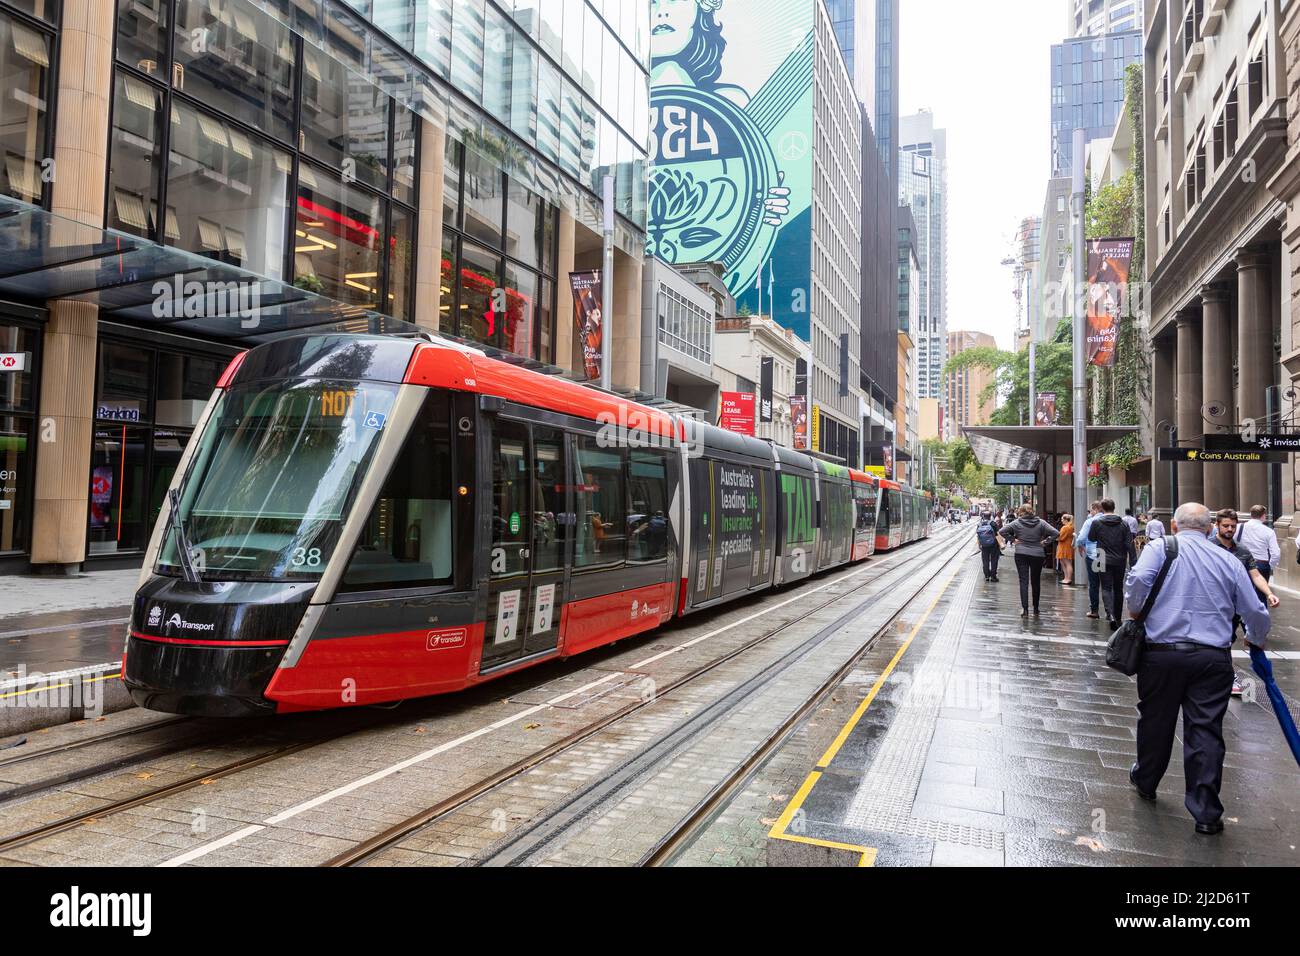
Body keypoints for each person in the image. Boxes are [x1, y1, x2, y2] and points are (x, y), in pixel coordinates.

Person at [1125, 503, 1271, 835]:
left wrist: (1135, 611)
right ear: (1209, 529)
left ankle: (1146, 780)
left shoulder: (1158, 548)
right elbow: (1254, 609)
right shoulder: (1229, 560)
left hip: (1161, 654)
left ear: (1174, 527)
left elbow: (1138, 584)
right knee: (1205, 730)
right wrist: (1256, 638)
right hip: (1212, 658)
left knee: (1155, 720)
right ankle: (1206, 812)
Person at [1211, 508, 1280, 696]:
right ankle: (1226, 676)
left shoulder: (1242, 550)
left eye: (1233, 526)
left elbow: (1256, 575)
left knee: (1243, 634)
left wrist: (1268, 593)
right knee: (1222, 641)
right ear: (1217, 525)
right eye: (1226, 526)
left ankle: (1231, 674)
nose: (1230, 529)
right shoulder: (1207, 547)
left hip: (1236, 604)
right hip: (1212, 605)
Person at [1080, 498, 1137, 630]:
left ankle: (1110, 614)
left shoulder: (1096, 522)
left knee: (1105, 587)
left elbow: (1091, 538)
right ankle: (1117, 617)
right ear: (1114, 507)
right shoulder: (1123, 523)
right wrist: (1133, 562)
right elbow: (1129, 543)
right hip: (1119, 558)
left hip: (1100, 555)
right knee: (1118, 588)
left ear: (1102, 508)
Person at [1000, 505, 1059, 617]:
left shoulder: (1017, 523)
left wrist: (1013, 540)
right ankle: (1036, 609)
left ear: (1021, 512)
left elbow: (1002, 531)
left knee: (1024, 581)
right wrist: (1045, 542)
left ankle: (1025, 609)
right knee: (1035, 581)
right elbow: (1056, 533)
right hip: (1037, 553)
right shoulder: (1041, 522)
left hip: (1021, 553)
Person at [1235, 505, 1281, 582]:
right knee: (1261, 592)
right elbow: (1276, 553)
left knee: (1243, 591)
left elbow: (1231, 543)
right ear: (1263, 516)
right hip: (1261, 564)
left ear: (1251, 515)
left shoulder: (1238, 527)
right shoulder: (1268, 531)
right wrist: (1270, 566)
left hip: (1242, 562)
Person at [1075, 502, 1104, 619]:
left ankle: (1094, 610)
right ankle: (1110, 612)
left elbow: (1081, 538)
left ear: (1095, 509)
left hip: (1095, 554)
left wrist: (1080, 545)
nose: (1090, 512)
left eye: (1091, 510)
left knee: (1094, 583)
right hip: (1107, 555)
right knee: (1107, 584)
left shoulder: (1091, 521)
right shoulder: (1114, 520)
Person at [976, 511, 1003, 582]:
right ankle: (993, 577)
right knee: (994, 560)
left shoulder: (979, 524)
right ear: (990, 516)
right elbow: (997, 534)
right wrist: (1001, 544)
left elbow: (978, 536)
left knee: (985, 560)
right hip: (994, 544)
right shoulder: (993, 523)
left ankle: (987, 576)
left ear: (983, 516)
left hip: (984, 545)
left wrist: (979, 545)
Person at [1056, 514, 1076, 585]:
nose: (1061, 521)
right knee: (1067, 563)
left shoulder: (1065, 528)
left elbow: (1061, 537)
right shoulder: (1071, 527)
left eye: (1062, 519)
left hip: (1064, 546)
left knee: (1066, 563)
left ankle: (1067, 578)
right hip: (1069, 546)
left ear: (1066, 520)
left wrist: (1056, 538)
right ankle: (1067, 578)